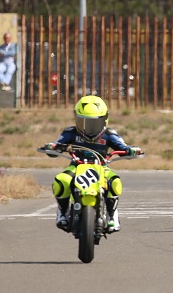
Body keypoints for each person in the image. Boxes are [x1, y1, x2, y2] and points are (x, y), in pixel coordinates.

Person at [42, 95, 143, 232]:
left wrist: (131, 150)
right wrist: (52, 147)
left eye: (94, 123)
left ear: (104, 120)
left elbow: (123, 147)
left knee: (115, 182)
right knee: (61, 180)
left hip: (102, 166)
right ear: (76, 119)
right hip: (76, 165)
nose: (88, 127)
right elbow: (57, 144)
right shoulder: (70, 132)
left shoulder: (110, 134)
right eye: (84, 122)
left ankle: (111, 215)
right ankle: (62, 212)